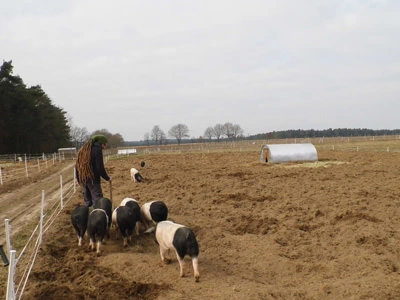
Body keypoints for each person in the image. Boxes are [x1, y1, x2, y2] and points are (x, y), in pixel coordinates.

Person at [75, 135, 112, 207]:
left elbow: (77, 165)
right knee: (97, 202)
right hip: (93, 179)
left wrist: (78, 179)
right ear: (102, 143)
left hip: (83, 179)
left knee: (88, 202)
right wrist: (107, 178)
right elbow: (100, 167)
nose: (105, 147)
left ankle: (88, 216)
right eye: (105, 144)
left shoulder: (84, 150)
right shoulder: (97, 150)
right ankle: (97, 216)